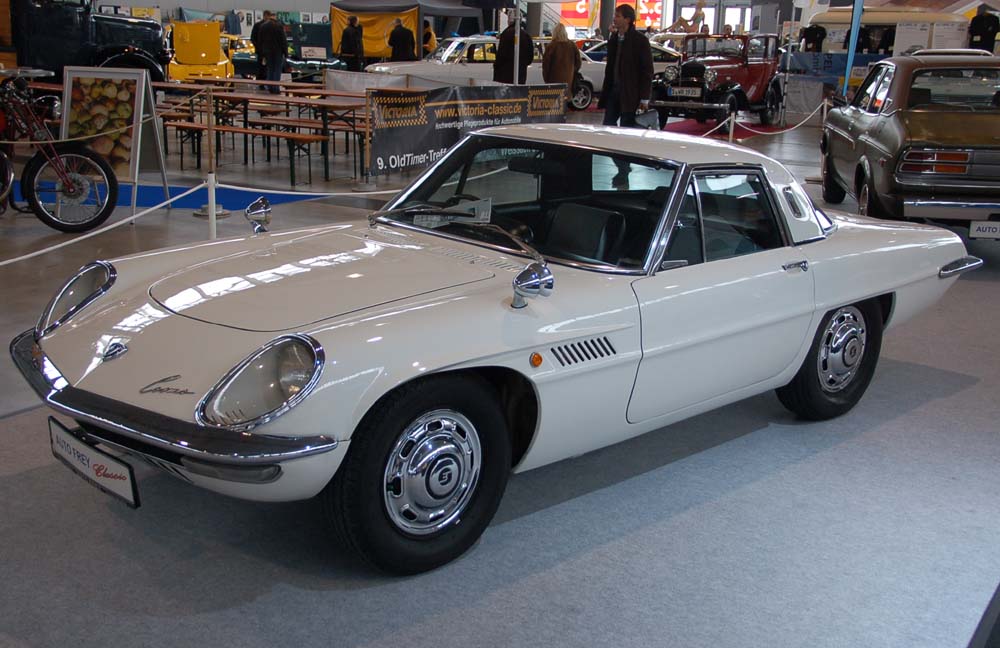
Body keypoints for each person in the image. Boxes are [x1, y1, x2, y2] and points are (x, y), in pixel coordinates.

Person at [599, 4, 653, 186]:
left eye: (618, 15)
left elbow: (647, 71)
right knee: (608, 126)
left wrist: (644, 97)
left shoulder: (640, 41)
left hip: (630, 94)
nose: (614, 18)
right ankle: (621, 163)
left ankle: (624, 167)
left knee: (626, 129)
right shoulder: (614, 39)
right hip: (613, 91)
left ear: (627, 19)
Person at [542, 24, 581, 103]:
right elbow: (578, 62)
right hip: (568, 80)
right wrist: (572, 71)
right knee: (564, 101)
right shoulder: (572, 45)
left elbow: (545, 65)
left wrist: (546, 78)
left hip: (553, 80)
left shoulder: (551, 46)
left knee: (554, 104)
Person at [493, 18, 533, 84]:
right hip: (520, 74)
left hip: (504, 74)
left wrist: (496, 66)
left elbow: (501, 55)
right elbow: (530, 57)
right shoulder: (526, 35)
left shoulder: (506, 34)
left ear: (509, 21)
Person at [256, 12, 287, 93]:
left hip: (267, 51)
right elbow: (283, 40)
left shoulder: (263, 26)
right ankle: (275, 88)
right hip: (277, 51)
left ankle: (269, 86)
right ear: (275, 17)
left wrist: (261, 52)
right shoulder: (279, 26)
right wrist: (286, 53)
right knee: (277, 69)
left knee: (270, 69)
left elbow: (260, 40)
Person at [250, 10, 272, 82]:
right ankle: (262, 81)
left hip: (264, 50)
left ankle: (262, 81)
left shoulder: (259, 25)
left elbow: (253, 38)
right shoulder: (258, 25)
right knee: (262, 67)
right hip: (262, 50)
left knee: (264, 67)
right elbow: (253, 38)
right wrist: (258, 46)